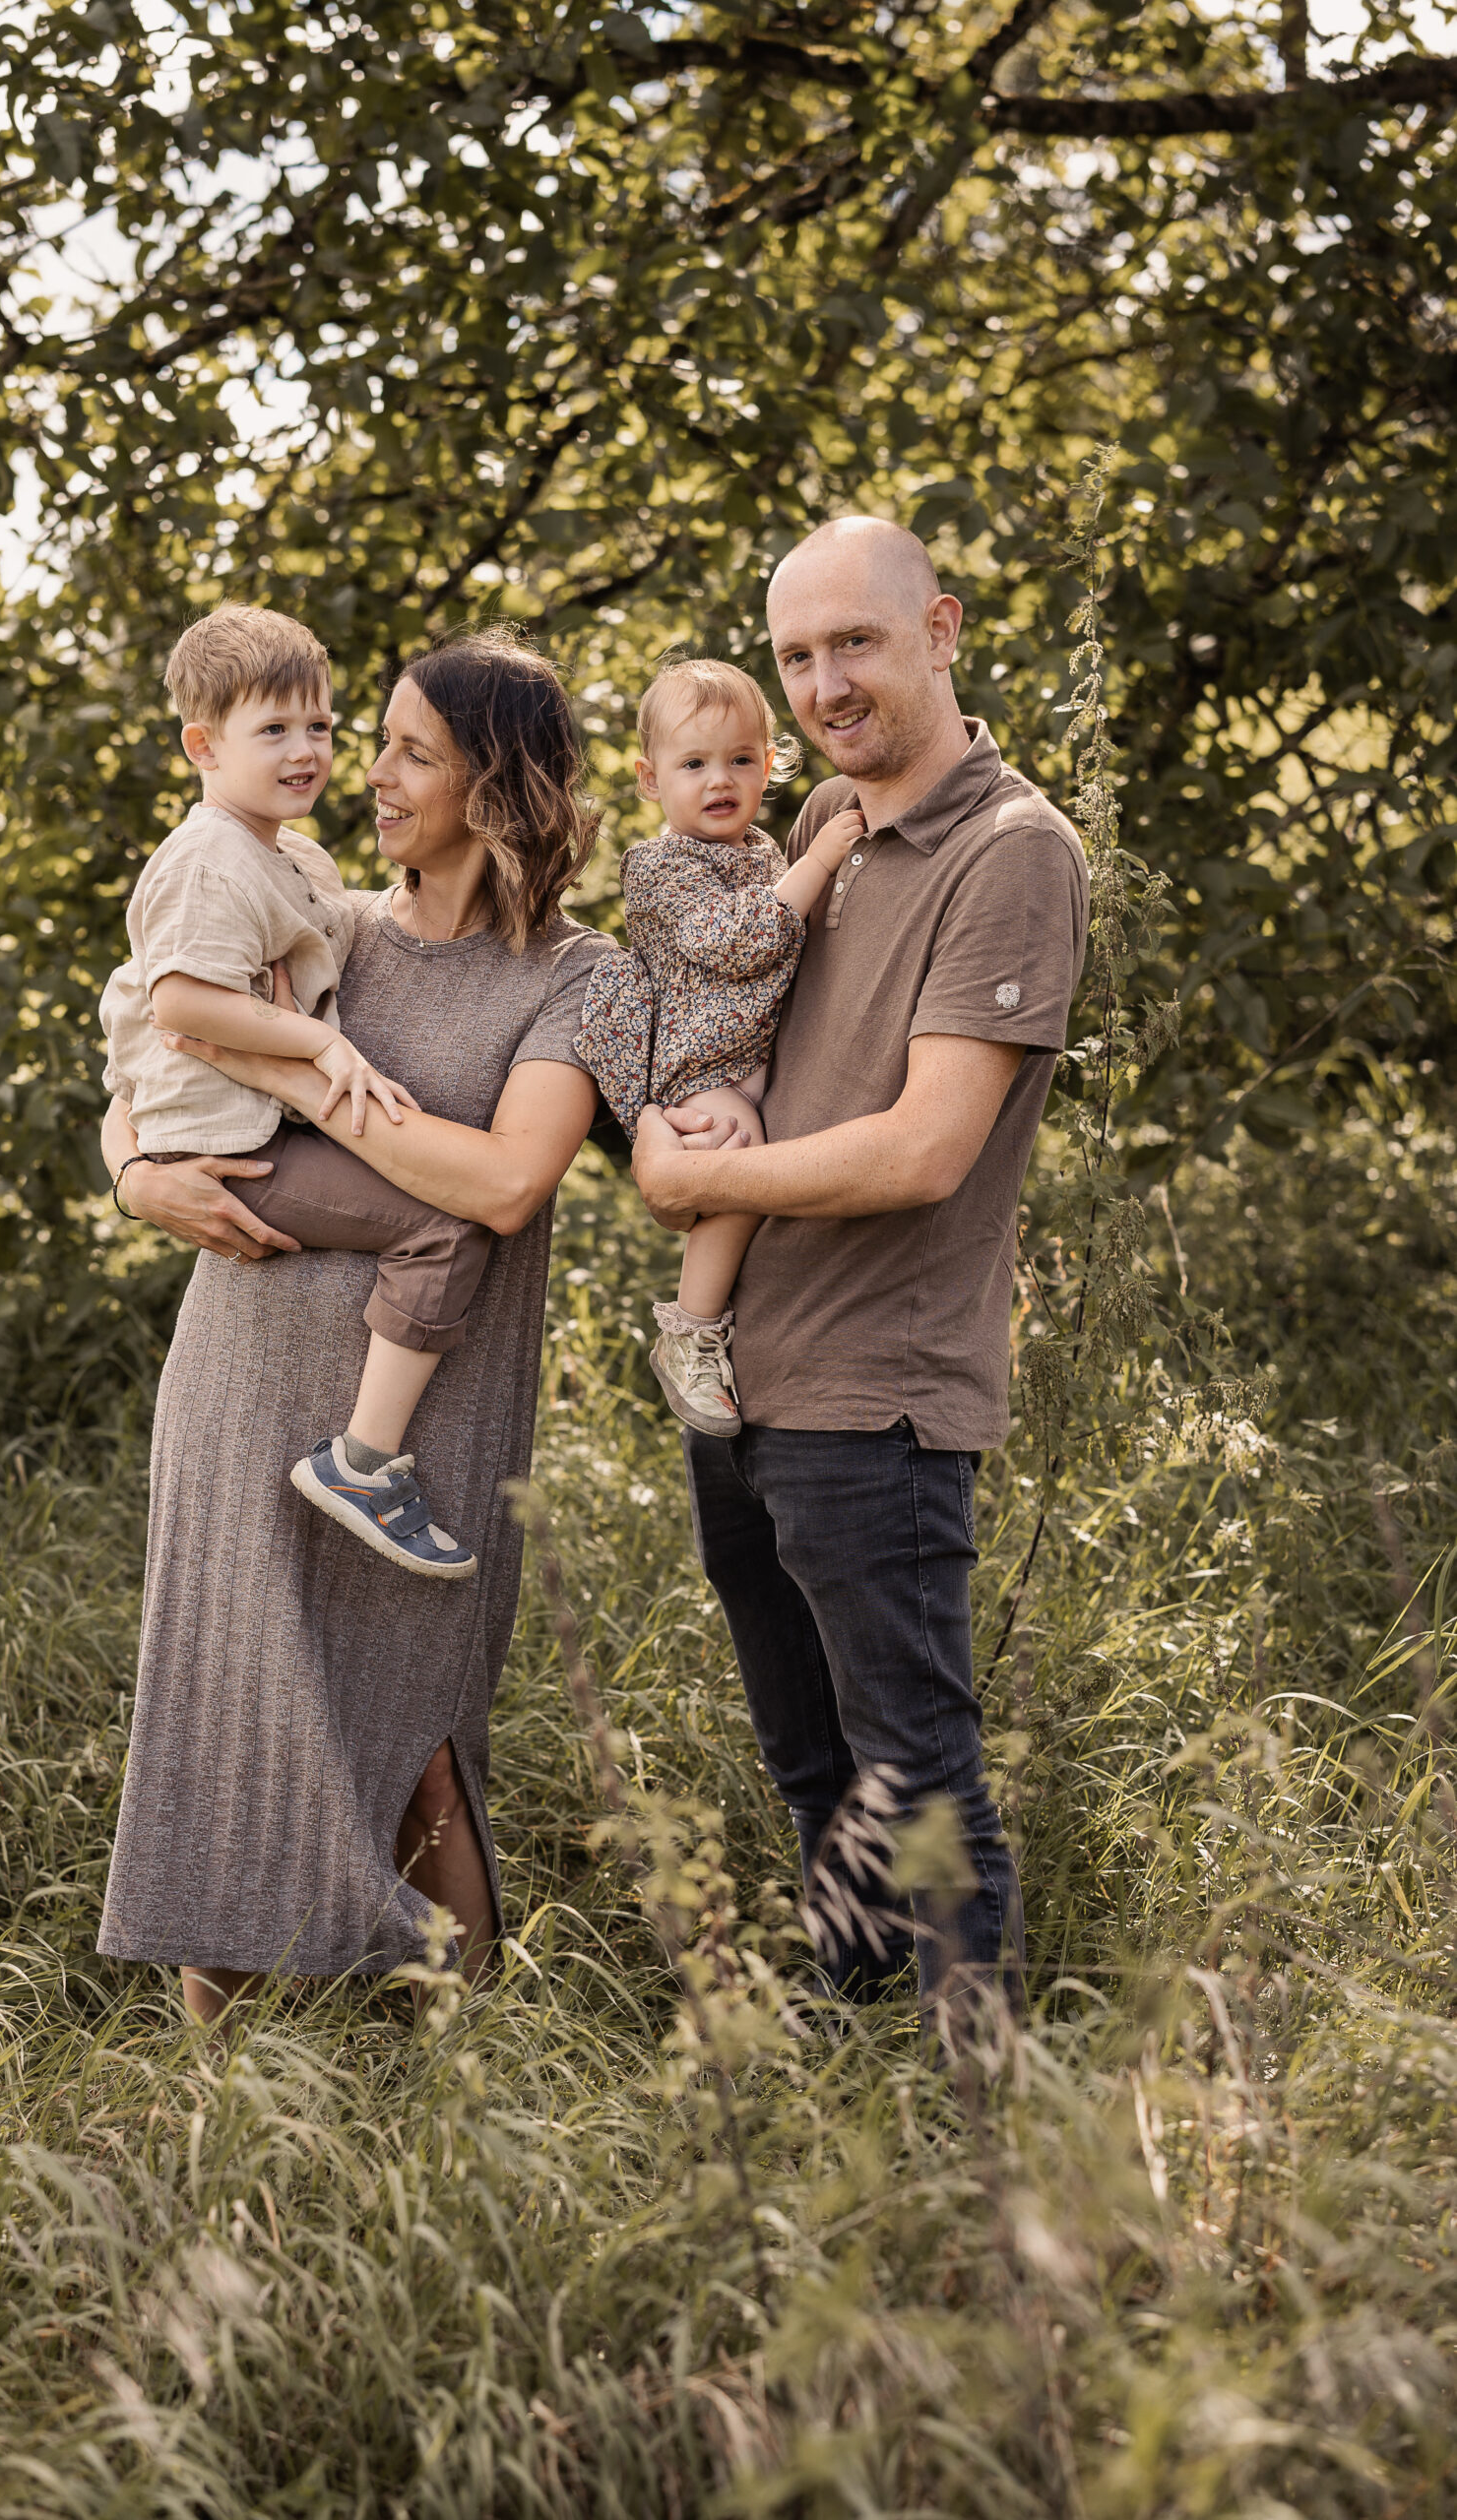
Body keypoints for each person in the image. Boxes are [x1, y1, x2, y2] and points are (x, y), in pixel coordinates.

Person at [96, 627, 610, 2023]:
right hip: (242, 1366)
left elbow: (503, 1184)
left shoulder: (577, 977)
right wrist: (137, 1172)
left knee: (419, 1742)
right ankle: (223, 2106)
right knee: (230, 1702)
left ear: (494, 787)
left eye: (405, 751)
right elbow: (154, 1042)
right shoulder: (328, 922)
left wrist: (326, 1088)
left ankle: (459, 2076)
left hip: (424, 1412)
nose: (366, 772)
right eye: (368, 741)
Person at [630, 517, 1090, 2014]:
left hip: (874, 1398)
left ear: (941, 630)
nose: (824, 684)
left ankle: (987, 2115)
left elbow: (921, 1150)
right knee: (814, 1772)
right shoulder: (809, 826)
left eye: (857, 642)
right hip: (742, 1383)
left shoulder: (1007, 852)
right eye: (796, 657)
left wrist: (699, 1177)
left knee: (918, 1773)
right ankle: (857, 2055)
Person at [100, 601, 491, 1580]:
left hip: (254, 1131)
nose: (306, 749)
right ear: (203, 744)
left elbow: (344, 933)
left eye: (318, 725)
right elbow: (181, 998)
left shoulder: (283, 853)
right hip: (232, 1152)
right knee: (444, 1224)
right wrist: (315, 1042)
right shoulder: (205, 858)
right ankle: (363, 1461)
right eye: (272, 729)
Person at [574, 657, 866, 1437]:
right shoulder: (659, 864)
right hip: (705, 1066)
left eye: (741, 760)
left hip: (757, 1054)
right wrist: (818, 863)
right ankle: (690, 1332)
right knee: (740, 1166)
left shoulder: (760, 852)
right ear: (648, 777)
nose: (719, 780)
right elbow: (730, 941)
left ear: (769, 766)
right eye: (693, 763)